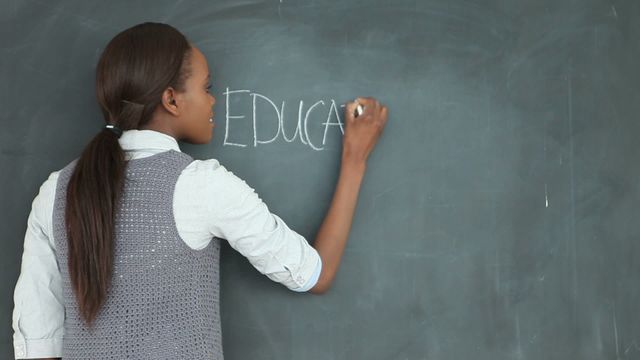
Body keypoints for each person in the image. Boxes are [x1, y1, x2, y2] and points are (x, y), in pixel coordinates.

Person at [11, 22, 387, 360]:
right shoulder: (201, 186)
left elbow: (39, 343)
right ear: (171, 99)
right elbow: (313, 275)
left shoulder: (55, 192)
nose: (213, 101)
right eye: (207, 88)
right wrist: (355, 159)